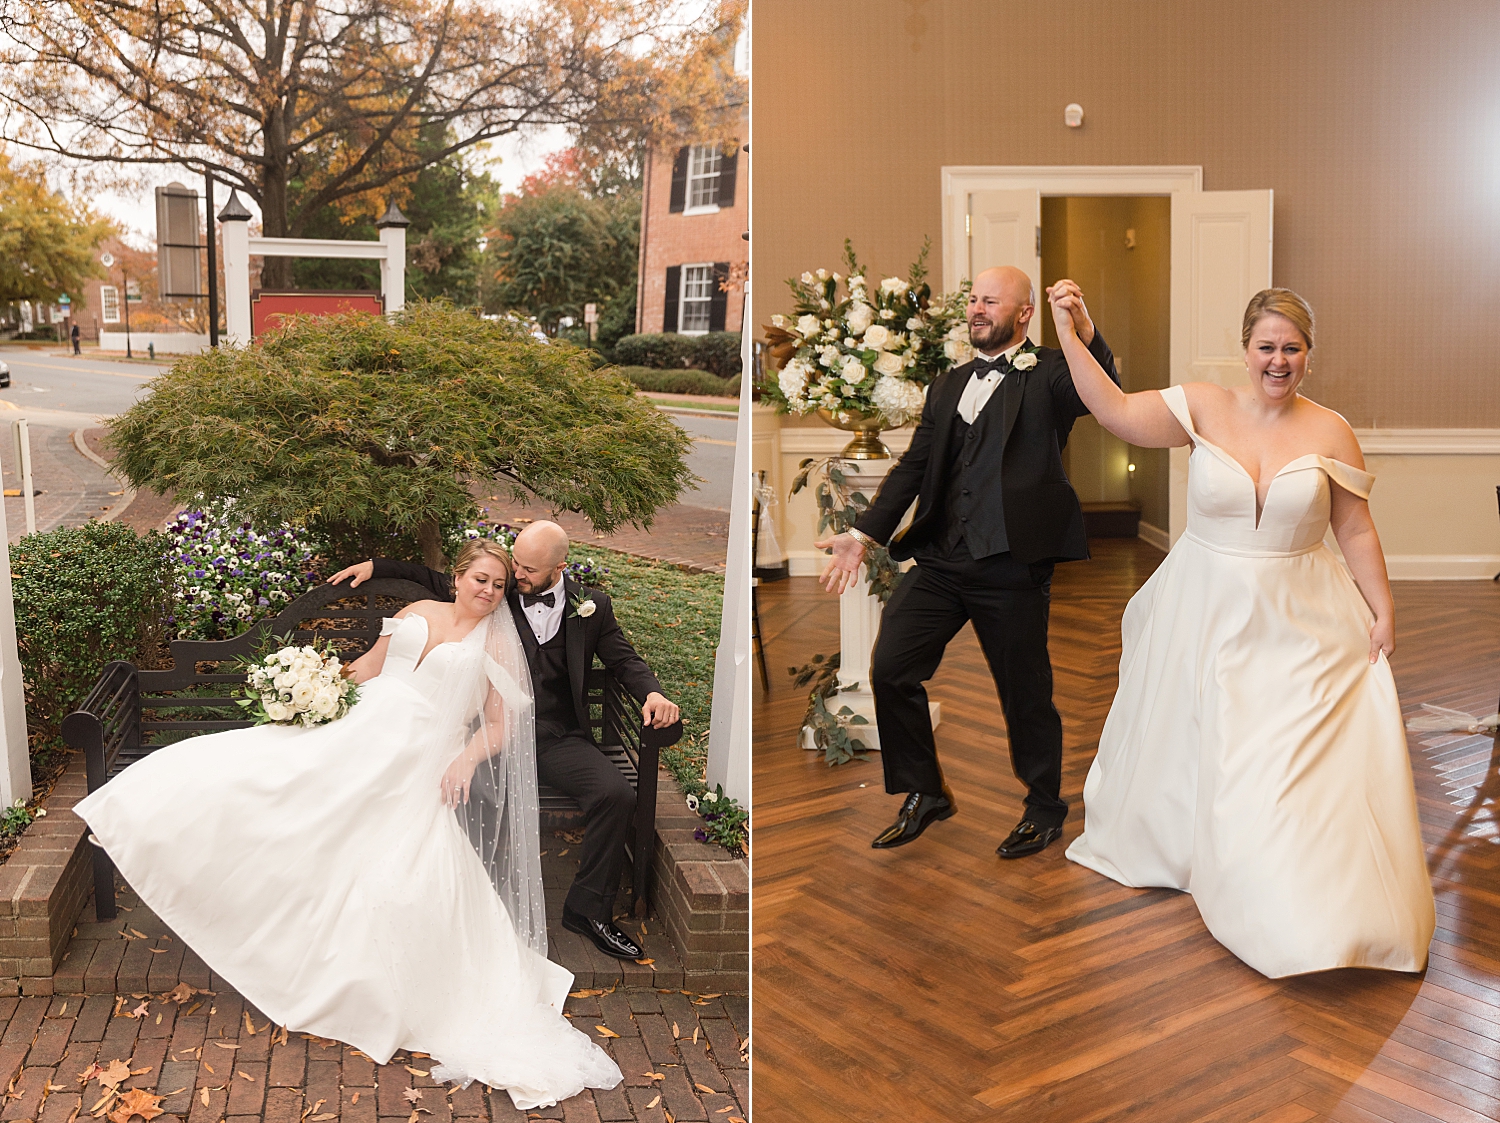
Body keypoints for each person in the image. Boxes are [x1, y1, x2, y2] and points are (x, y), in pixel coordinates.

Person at [75, 540, 624, 1106]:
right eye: (480, 579)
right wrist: (318, 688)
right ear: (457, 577)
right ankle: (141, 824)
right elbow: (369, 666)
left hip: (414, 747)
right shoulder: (415, 613)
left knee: (345, 817)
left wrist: (465, 758)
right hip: (362, 720)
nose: (488, 592)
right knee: (253, 766)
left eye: (500, 586)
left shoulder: (498, 644)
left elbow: (501, 725)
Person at [1048, 282, 1435, 977]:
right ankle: (1200, 850)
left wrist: (1383, 608)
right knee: (1208, 741)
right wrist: (1071, 335)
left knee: (1280, 756)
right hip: (1205, 606)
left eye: (1292, 348)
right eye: (1267, 346)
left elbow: (1354, 526)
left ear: (1309, 356)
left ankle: (1290, 884)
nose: (1278, 360)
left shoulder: (1331, 429)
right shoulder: (1203, 404)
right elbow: (1112, 410)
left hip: (1301, 616)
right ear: (1245, 348)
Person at [816, 267, 1120, 857]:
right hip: (941, 561)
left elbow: (1103, 388)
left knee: (1024, 693)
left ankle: (1044, 806)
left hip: (1012, 566)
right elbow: (912, 467)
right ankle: (925, 791)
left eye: (992, 301)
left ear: (1025, 313)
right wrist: (864, 533)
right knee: (891, 667)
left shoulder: (1055, 372)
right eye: (974, 300)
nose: (978, 309)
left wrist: (1083, 330)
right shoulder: (948, 385)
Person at [330, 521, 680, 960]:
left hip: (553, 736)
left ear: (560, 568)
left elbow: (623, 658)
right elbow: (441, 578)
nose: (516, 575)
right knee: (466, 791)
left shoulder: (592, 607)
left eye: (528, 569)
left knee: (616, 796)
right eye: (515, 562)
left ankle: (588, 911)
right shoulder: (497, 587)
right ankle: (468, 905)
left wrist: (653, 692)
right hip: (485, 732)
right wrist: (376, 565)